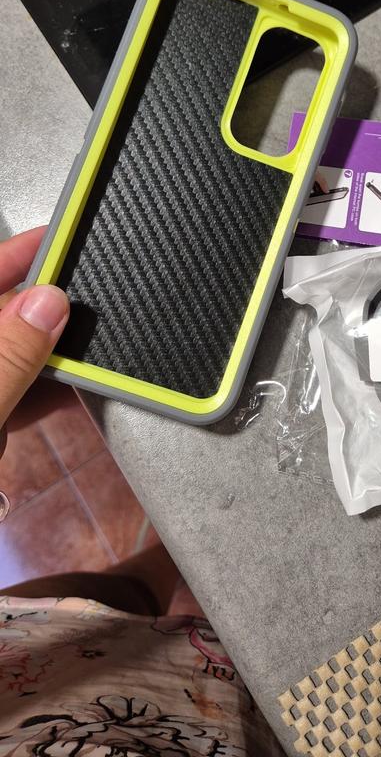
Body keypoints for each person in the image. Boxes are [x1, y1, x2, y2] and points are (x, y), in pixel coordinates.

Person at [0, 227, 283, 755]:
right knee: (109, 617)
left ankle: (177, 554)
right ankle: (184, 553)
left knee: (108, 605)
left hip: (26, 655)